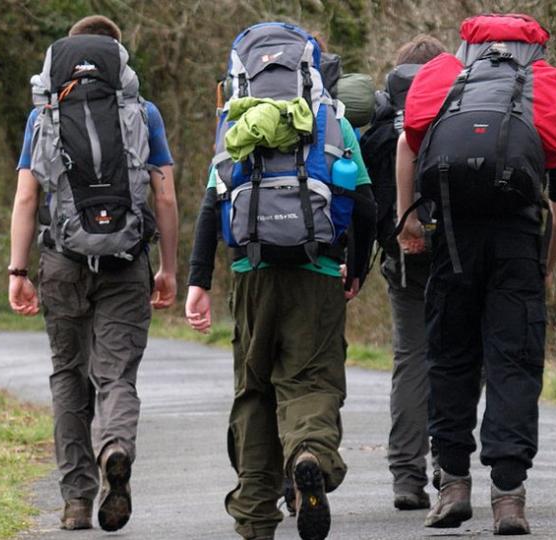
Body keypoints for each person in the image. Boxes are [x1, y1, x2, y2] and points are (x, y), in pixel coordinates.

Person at [184, 22, 376, 540]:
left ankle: (254, 513)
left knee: (254, 389)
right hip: (317, 272)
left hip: (251, 272)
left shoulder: (235, 123)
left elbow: (210, 207)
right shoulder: (333, 120)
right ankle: (308, 453)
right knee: (310, 380)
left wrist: (198, 281)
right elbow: (364, 206)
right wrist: (353, 269)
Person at [397, 13, 556, 535]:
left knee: (450, 360)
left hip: (451, 235)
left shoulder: (442, 74)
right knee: (513, 364)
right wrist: (543, 266)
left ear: (469, 43)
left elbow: (409, 143)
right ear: (534, 50)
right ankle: (509, 497)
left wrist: (407, 217)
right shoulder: (547, 89)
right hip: (517, 242)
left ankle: (451, 484)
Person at [7, 15, 178, 532]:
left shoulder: (44, 118)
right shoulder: (142, 112)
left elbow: (26, 196)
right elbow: (164, 195)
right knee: (116, 374)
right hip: (126, 262)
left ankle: (76, 501)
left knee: (67, 376)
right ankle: (115, 448)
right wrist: (169, 267)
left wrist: (18, 270)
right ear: (118, 59)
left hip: (61, 262)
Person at [359, 33, 446, 511]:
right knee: (455, 357)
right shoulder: (459, 109)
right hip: (455, 252)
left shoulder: (378, 125)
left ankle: (406, 478)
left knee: (410, 358)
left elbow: (366, 197)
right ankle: (447, 465)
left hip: (403, 258)